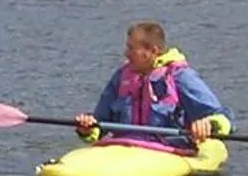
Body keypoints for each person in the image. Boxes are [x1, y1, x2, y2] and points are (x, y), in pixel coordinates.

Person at [75, 22, 230, 151]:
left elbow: (223, 117)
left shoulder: (180, 77)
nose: (125, 54)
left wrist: (208, 124)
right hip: (122, 149)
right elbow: (100, 124)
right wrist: (87, 127)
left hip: (167, 151)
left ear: (152, 51)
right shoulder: (121, 77)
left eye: (131, 48)